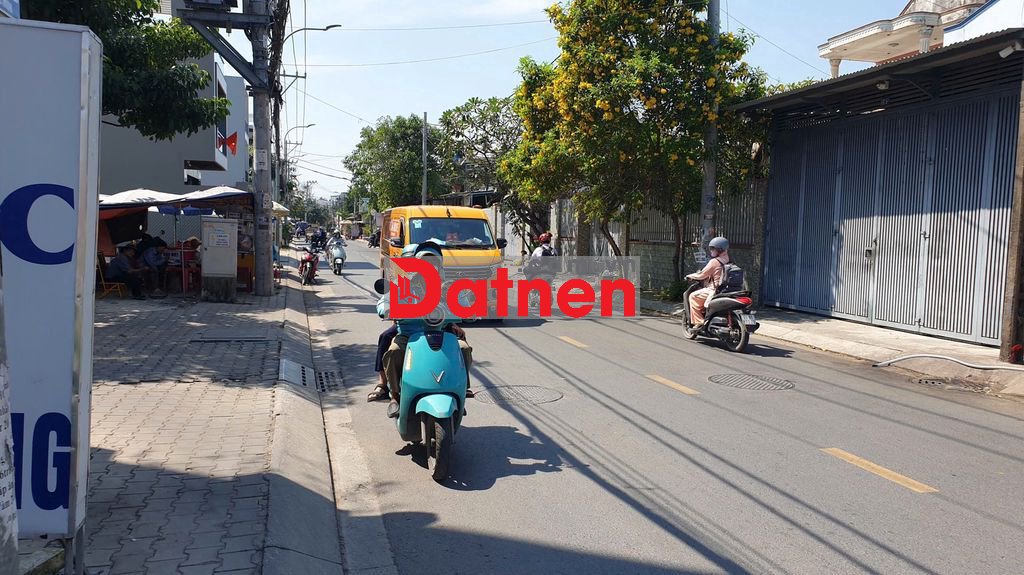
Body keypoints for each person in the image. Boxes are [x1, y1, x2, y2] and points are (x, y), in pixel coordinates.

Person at [377, 248, 474, 418]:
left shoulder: (445, 286)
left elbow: (462, 301)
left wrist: (468, 308)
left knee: (463, 348)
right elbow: (385, 301)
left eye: (433, 263)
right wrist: (386, 309)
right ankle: (395, 396)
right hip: (409, 336)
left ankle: (461, 390)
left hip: (441, 334)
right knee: (393, 352)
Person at [685, 236, 731, 329]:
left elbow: (702, 275)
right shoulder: (729, 259)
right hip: (727, 290)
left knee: (692, 296)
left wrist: (690, 276)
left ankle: (699, 322)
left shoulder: (715, 262)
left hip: (714, 290)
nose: (711, 251)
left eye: (713, 249)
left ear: (719, 249)